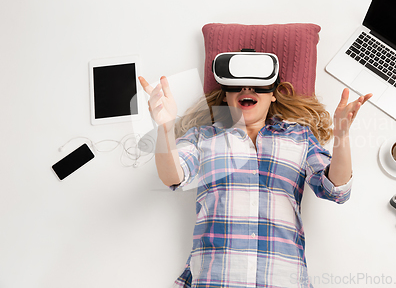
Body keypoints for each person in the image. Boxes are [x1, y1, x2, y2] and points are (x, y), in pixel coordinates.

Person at [138, 72, 372, 288]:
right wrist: (165, 129)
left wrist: (342, 134)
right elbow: (173, 177)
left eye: (258, 85)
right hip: (216, 279)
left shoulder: (299, 137)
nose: (246, 88)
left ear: (272, 94)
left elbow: (337, 190)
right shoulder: (203, 136)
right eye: (236, 85)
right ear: (226, 95)